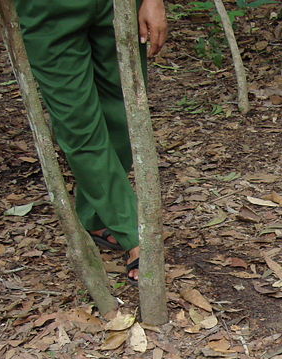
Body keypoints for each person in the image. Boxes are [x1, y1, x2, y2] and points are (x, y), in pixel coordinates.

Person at [15, 0, 168, 281]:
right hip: (49, 11)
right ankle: (134, 234)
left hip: (118, 6)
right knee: (79, 124)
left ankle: (97, 215)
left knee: (126, 114)